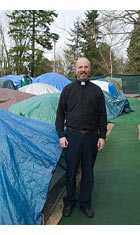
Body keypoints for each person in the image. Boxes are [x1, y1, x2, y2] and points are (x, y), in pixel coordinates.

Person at [55, 57, 107, 218]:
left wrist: (102, 136)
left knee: (88, 173)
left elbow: (102, 115)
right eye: (80, 67)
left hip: (91, 137)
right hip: (72, 137)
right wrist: (61, 135)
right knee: (71, 172)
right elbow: (59, 114)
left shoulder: (96, 91)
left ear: (90, 69)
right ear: (75, 69)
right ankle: (69, 202)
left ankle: (85, 203)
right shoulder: (68, 90)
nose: (83, 70)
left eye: (86, 67)